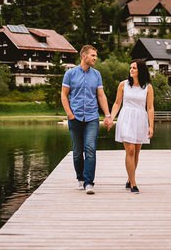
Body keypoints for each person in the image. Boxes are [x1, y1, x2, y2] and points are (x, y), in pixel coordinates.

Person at [61, 44, 112, 194]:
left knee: (90, 148)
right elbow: (64, 95)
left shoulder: (97, 75)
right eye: (93, 56)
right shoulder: (70, 74)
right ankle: (80, 179)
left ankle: (89, 182)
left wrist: (107, 115)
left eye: (95, 56)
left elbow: (101, 96)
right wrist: (69, 114)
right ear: (84, 56)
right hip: (75, 117)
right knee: (77, 152)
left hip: (92, 118)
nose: (95, 58)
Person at [110, 59, 155, 193]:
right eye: (130, 68)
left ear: (140, 70)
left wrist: (151, 126)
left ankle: (130, 178)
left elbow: (150, 107)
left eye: (134, 68)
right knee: (130, 150)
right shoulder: (123, 85)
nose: (131, 70)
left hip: (141, 119)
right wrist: (111, 118)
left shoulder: (148, 87)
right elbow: (117, 103)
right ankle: (133, 183)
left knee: (136, 152)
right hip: (126, 118)